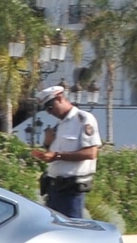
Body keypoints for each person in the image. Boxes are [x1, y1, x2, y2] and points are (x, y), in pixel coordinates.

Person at [24, 84, 102, 219]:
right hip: (53, 188)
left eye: (50, 107)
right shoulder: (59, 125)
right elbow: (54, 154)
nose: (49, 112)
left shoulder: (83, 119)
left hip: (71, 188)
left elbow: (91, 153)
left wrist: (57, 155)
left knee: (72, 231)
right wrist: (47, 145)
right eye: (46, 109)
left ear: (60, 98)